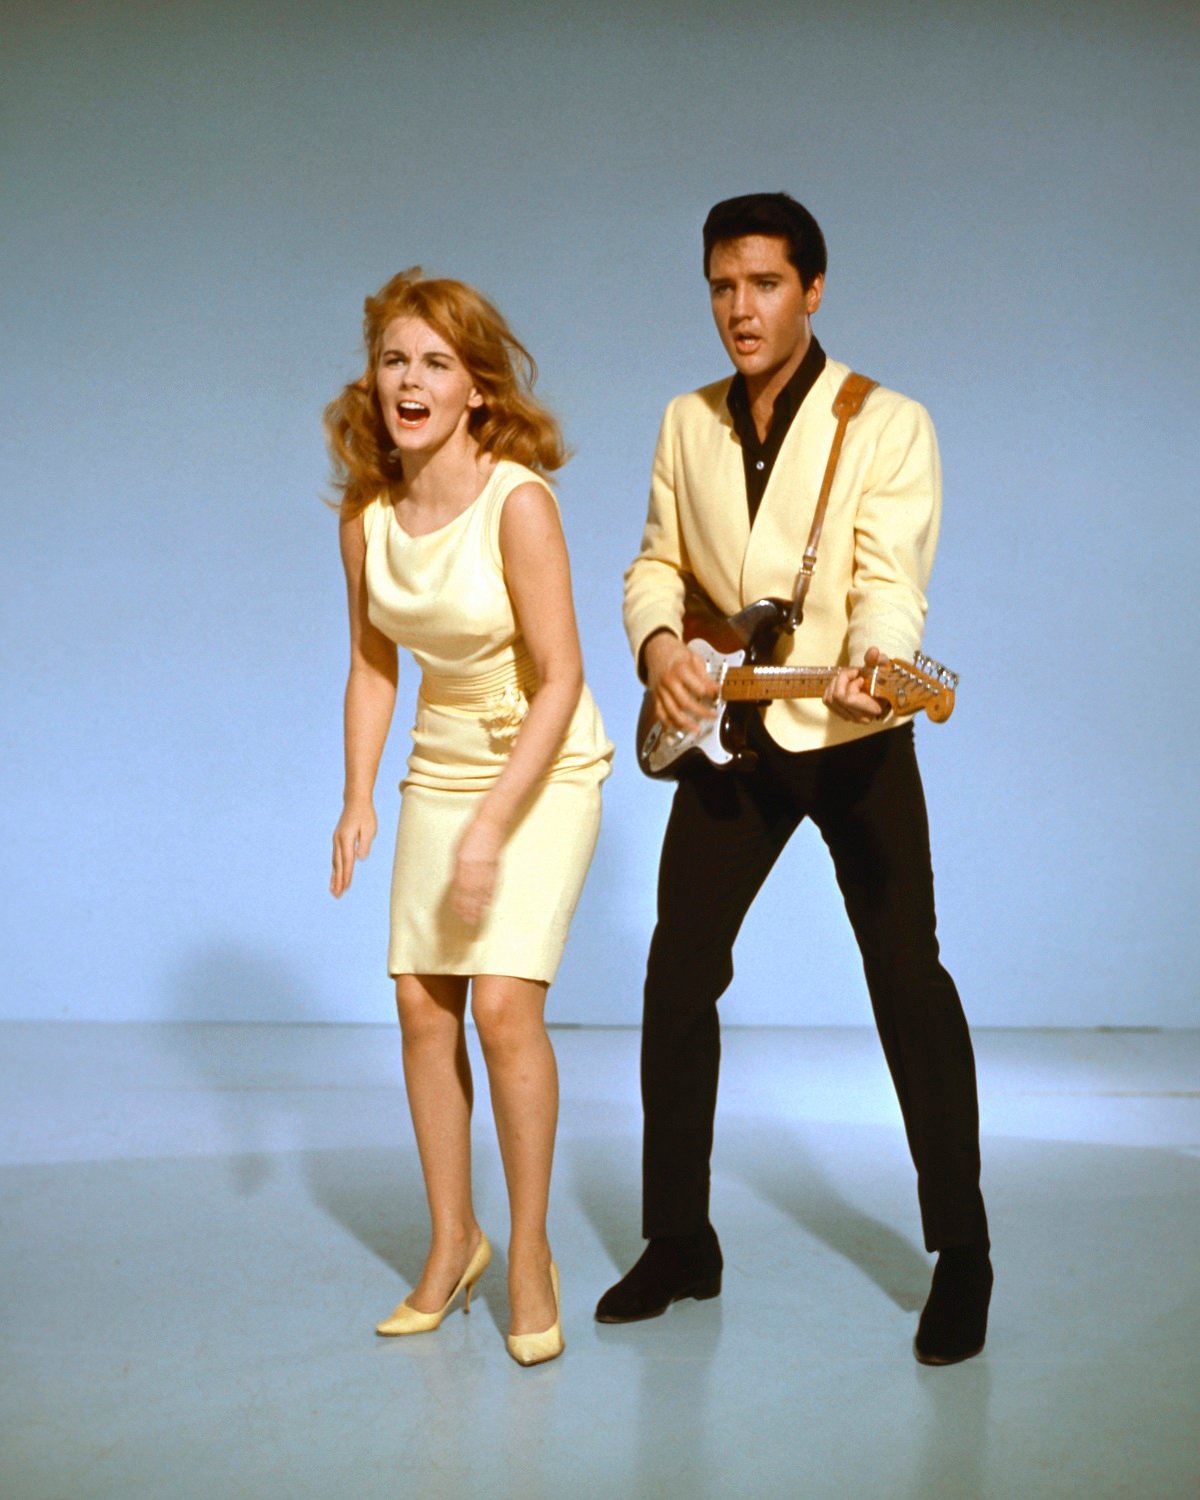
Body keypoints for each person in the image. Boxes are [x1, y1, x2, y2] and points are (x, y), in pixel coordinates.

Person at [597, 194, 992, 1365]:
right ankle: (681, 1242)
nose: (739, 309)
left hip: (851, 737)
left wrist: (877, 665)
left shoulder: (887, 421)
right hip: (730, 737)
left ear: (812, 290)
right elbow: (655, 561)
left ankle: (962, 1252)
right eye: (722, 286)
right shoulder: (685, 421)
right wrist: (663, 652)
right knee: (677, 976)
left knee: (907, 979)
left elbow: (890, 588)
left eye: (763, 284)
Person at [326, 269, 612, 1367]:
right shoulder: (367, 519)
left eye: (436, 362)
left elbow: (562, 676)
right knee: (417, 1001)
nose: (411, 380)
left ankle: (530, 1250)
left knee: (501, 1007)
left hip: (543, 765)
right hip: (442, 766)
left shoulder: (518, 501)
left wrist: (492, 829)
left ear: (476, 391)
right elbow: (369, 663)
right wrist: (358, 795)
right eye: (396, 359)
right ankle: (455, 1245)